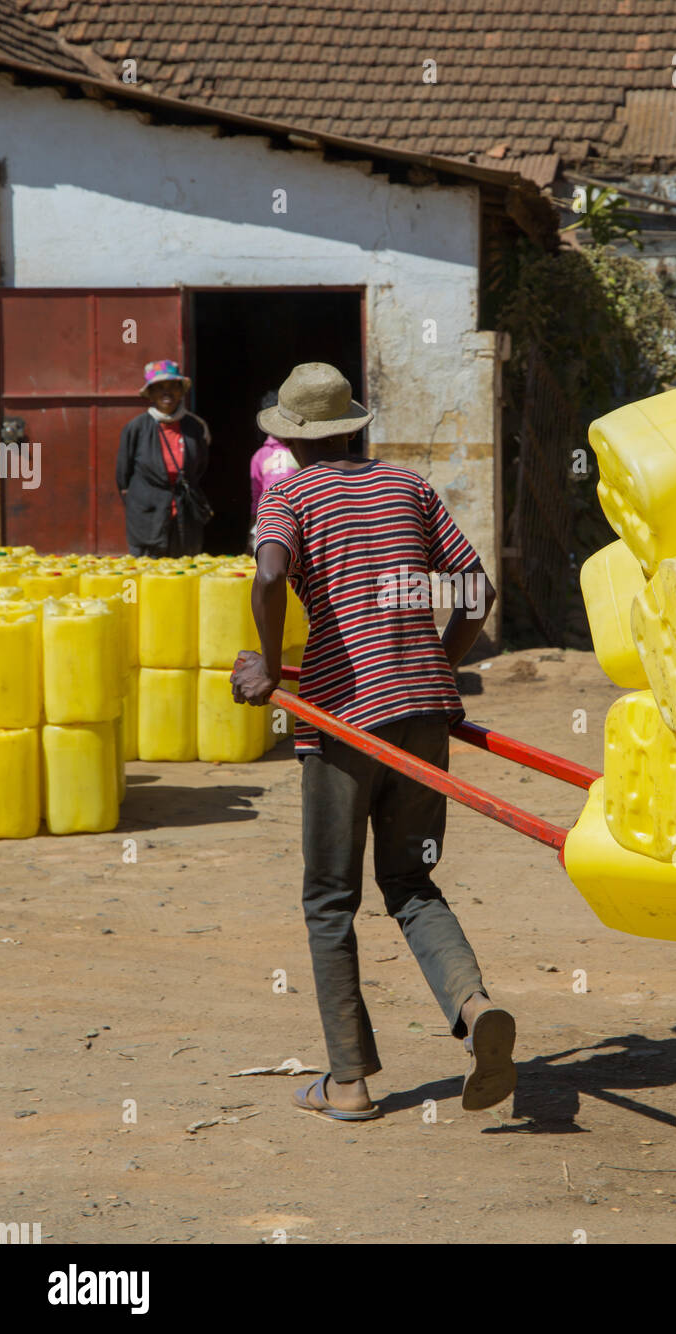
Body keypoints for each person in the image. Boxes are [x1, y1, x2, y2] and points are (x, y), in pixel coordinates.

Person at [231, 362, 515, 1121]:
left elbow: (267, 576)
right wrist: (435, 668)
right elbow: (477, 591)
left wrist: (266, 663)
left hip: (341, 717)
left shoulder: (287, 493)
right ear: (353, 427)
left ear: (288, 441)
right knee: (411, 882)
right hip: (424, 711)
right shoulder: (407, 487)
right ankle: (473, 1003)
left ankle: (349, 1081)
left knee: (331, 898)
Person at [116, 360, 211, 558]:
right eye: (159, 388)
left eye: (172, 387)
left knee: (183, 574)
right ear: (150, 393)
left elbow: (200, 466)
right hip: (147, 518)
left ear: (181, 391)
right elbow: (123, 476)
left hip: (185, 516)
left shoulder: (195, 427)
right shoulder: (136, 428)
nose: (166, 393)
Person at [248, 393, 300, 551]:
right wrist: (251, 534)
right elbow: (256, 499)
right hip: (269, 524)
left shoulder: (300, 451)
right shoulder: (260, 456)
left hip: (299, 521)